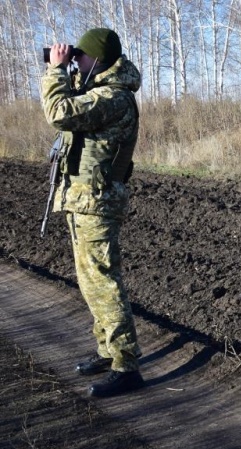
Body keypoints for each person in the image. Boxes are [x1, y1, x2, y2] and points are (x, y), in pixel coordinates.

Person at [41, 28, 144, 397]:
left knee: (102, 280)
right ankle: (107, 349)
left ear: (98, 60)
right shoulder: (96, 91)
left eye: (79, 57)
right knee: (90, 280)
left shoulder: (113, 97)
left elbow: (59, 112)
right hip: (84, 200)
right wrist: (69, 75)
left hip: (97, 202)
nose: (73, 61)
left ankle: (126, 364)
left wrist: (55, 73)